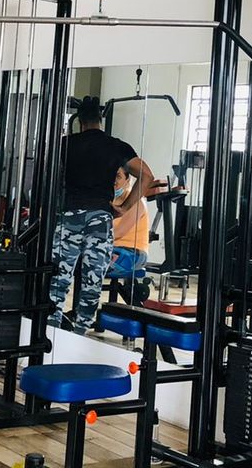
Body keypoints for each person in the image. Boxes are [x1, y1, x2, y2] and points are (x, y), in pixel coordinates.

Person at [49, 96, 161, 334]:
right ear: (100, 120)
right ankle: (80, 333)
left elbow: (47, 176)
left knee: (58, 279)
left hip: (69, 216)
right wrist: (126, 207)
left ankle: (51, 334)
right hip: (100, 218)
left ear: (80, 122)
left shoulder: (64, 144)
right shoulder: (116, 146)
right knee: (92, 281)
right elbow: (147, 176)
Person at [104, 167, 151, 295]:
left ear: (127, 180)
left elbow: (118, 232)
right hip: (110, 248)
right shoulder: (106, 200)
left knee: (93, 262)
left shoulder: (137, 202)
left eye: (118, 176)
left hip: (134, 253)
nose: (113, 179)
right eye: (110, 174)